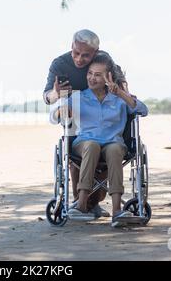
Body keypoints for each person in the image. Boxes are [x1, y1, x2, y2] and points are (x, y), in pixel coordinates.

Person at [49, 54, 148, 227]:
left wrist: (122, 94)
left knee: (115, 149)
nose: (91, 78)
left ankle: (117, 210)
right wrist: (62, 108)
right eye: (90, 73)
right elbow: (54, 117)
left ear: (108, 77)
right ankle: (81, 205)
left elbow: (143, 110)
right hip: (84, 143)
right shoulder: (79, 97)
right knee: (92, 145)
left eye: (97, 75)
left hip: (113, 143)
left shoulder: (119, 98)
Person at [44, 29, 127, 218]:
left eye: (86, 55)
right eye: (76, 52)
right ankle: (80, 201)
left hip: (104, 107)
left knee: (108, 153)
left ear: (96, 53)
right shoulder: (60, 64)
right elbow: (48, 97)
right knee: (81, 154)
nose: (80, 59)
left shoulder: (104, 60)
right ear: (71, 46)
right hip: (76, 107)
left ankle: (94, 203)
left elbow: (121, 84)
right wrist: (57, 95)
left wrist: (123, 94)